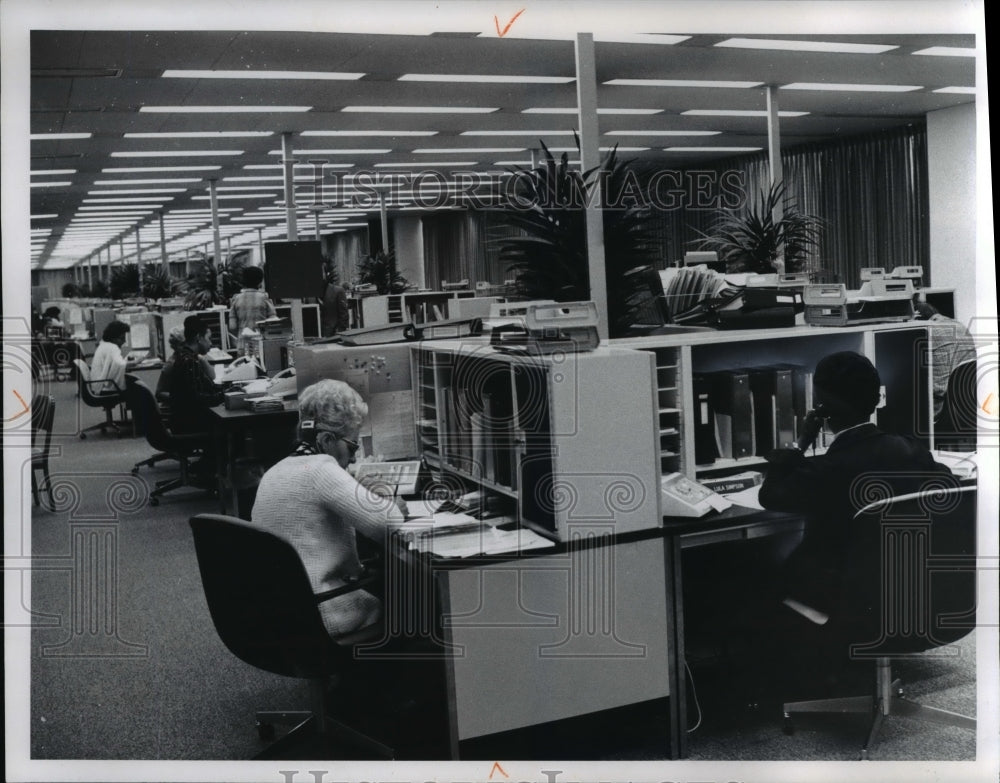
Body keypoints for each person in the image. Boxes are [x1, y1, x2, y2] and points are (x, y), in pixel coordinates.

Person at [747, 351, 953, 695]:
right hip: (916, 592)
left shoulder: (828, 470)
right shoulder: (912, 450)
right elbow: (947, 482)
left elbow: (771, 495)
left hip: (848, 596)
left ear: (822, 406)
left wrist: (801, 443)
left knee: (754, 566)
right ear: (875, 399)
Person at [250, 379, 406, 640]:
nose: (354, 457)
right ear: (325, 440)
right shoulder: (322, 470)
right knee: (411, 595)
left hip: (284, 609)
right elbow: (388, 523)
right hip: (327, 610)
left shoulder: (276, 471)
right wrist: (390, 501)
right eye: (352, 445)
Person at [914, 301, 977, 418]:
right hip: (969, 403)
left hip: (940, 409)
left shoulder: (926, 332)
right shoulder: (960, 325)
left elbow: (936, 390)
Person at [228, 266, 276, 354]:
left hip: (243, 345)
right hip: (262, 345)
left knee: (245, 367)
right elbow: (273, 322)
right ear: (260, 281)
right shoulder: (264, 298)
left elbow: (232, 326)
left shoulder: (236, 299)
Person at [90, 320, 134, 392]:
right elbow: (120, 364)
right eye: (122, 338)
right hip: (102, 388)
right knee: (134, 387)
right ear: (114, 338)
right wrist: (137, 361)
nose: (124, 341)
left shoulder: (104, 345)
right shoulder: (112, 347)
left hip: (96, 385)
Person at [319, 264, 350, 337]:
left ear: (325, 274)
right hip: (314, 337)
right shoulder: (309, 295)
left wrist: (339, 333)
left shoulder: (338, 291)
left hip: (333, 335)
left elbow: (344, 316)